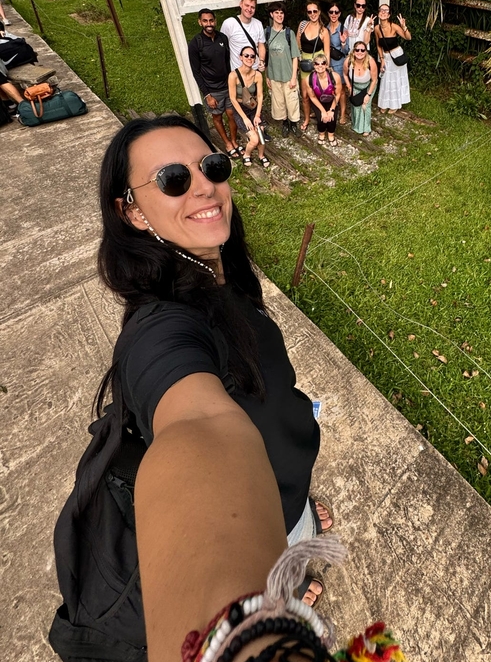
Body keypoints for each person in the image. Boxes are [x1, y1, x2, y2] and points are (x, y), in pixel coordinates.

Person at [98, 118, 332, 603]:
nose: (205, 186)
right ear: (133, 211)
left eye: (212, 166)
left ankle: (300, 528)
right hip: (265, 518)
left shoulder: (219, 272)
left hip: (287, 486)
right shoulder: (163, 328)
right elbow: (193, 422)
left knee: (300, 534)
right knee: (282, 578)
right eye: (173, 179)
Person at [188, 8, 240, 158]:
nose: (209, 24)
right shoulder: (196, 43)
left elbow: (228, 61)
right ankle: (227, 143)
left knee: (232, 114)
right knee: (217, 117)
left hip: (227, 86)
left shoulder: (223, 38)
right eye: (205, 21)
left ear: (215, 21)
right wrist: (207, 95)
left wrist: (233, 82)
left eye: (211, 20)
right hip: (212, 89)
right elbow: (196, 72)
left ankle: (234, 141)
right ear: (200, 22)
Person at [228, 47, 270, 168]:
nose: (249, 58)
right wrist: (245, 118)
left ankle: (261, 155)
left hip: (253, 106)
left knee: (260, 133)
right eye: (246, 55)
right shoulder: (233, 76)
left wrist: (257, 115)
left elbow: (260, 96)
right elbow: (233, 99)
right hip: (240, 108)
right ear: (241, 57)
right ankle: (247, 155)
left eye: (252, 56)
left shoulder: (257, 75)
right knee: (254, 139)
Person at [264, 2, 301, 137]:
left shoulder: (289, 33)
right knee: (279, 102)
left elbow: (295, 57)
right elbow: (265, 56)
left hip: (288, 74)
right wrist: (266, 76)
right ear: (271, 14)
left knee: (292, 101)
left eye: (281, 13)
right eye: (277, 13)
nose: (279, 15)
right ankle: (285, 123)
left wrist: (293, 77)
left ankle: (294, 124)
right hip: (274, 75)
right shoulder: (267, 33)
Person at [297, 1, 330, 132]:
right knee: (305, 95)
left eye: (315, 11)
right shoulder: (302, 25)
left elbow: (327, 52)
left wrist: (326, 68)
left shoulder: (324, 31)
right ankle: (306, 118)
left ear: (319, 12)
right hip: (305, 64)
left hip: (319, 65)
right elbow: (298, 45)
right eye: (309, 11)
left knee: (319, 92)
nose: (312, 14)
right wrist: (298, 61)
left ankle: (321, 114)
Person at [375, 4, 411, 114]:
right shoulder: (377, 28)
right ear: (378, 13)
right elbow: (378, 45)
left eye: (386, 10)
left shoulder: (394, 26)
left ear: (389, 15)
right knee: (386, 80)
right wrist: (382, 59)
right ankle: (385, 103)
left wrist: (404, 27)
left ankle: (395, 104)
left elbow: (408, 38)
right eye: (381, 10)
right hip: (386, 57)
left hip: (396, 55)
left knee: (395, 80)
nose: (383, 12)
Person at [221, 0, 267, 74]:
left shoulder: (258, 24)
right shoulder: (229, 23)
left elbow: (261, 45)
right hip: (237, 72)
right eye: (247, 5)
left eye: (252, 7)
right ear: (241, 4)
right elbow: (222, 46)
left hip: (254, 71)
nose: (249, 9)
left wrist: (261, 60)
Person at [343, 41, 378, 136]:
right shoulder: (348, 61)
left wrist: (368, 94)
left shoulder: (371, 62)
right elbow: (345, 74)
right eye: (357, 50)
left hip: (368, 86)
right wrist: (349, 86)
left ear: (366, 51)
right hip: (355, 86)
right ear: (353, 51)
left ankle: (366, 127)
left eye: (362, 50)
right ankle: (356, 125)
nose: (360, 52)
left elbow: (374, 80)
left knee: (365, 105)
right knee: (356, 105)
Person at [306, 53, 341, 146]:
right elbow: (312, 97)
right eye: (317, 63)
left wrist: (332, 110)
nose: (320, 66)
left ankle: (331, 134)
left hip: (331, 99)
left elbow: (338, 94)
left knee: (331, 119)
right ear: (314, 65)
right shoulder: (309, 79)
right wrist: (323, 111)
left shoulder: (335, 77)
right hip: (318, 100)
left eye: (323, 63)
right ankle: (321, 133)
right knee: (322, 119)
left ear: (326, 65)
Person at [326, 2, 349, 125]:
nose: (333, 14)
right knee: (329, 88)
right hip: (328, 63)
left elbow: (346, 51)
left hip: (339, 63)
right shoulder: (325, 28)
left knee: (341, 90)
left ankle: (343, 114)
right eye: (331, 12)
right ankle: (329, 110)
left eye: (336, 12)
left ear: (339, 14)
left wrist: (343, 43)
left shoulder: (343, 29)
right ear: (328, 13)